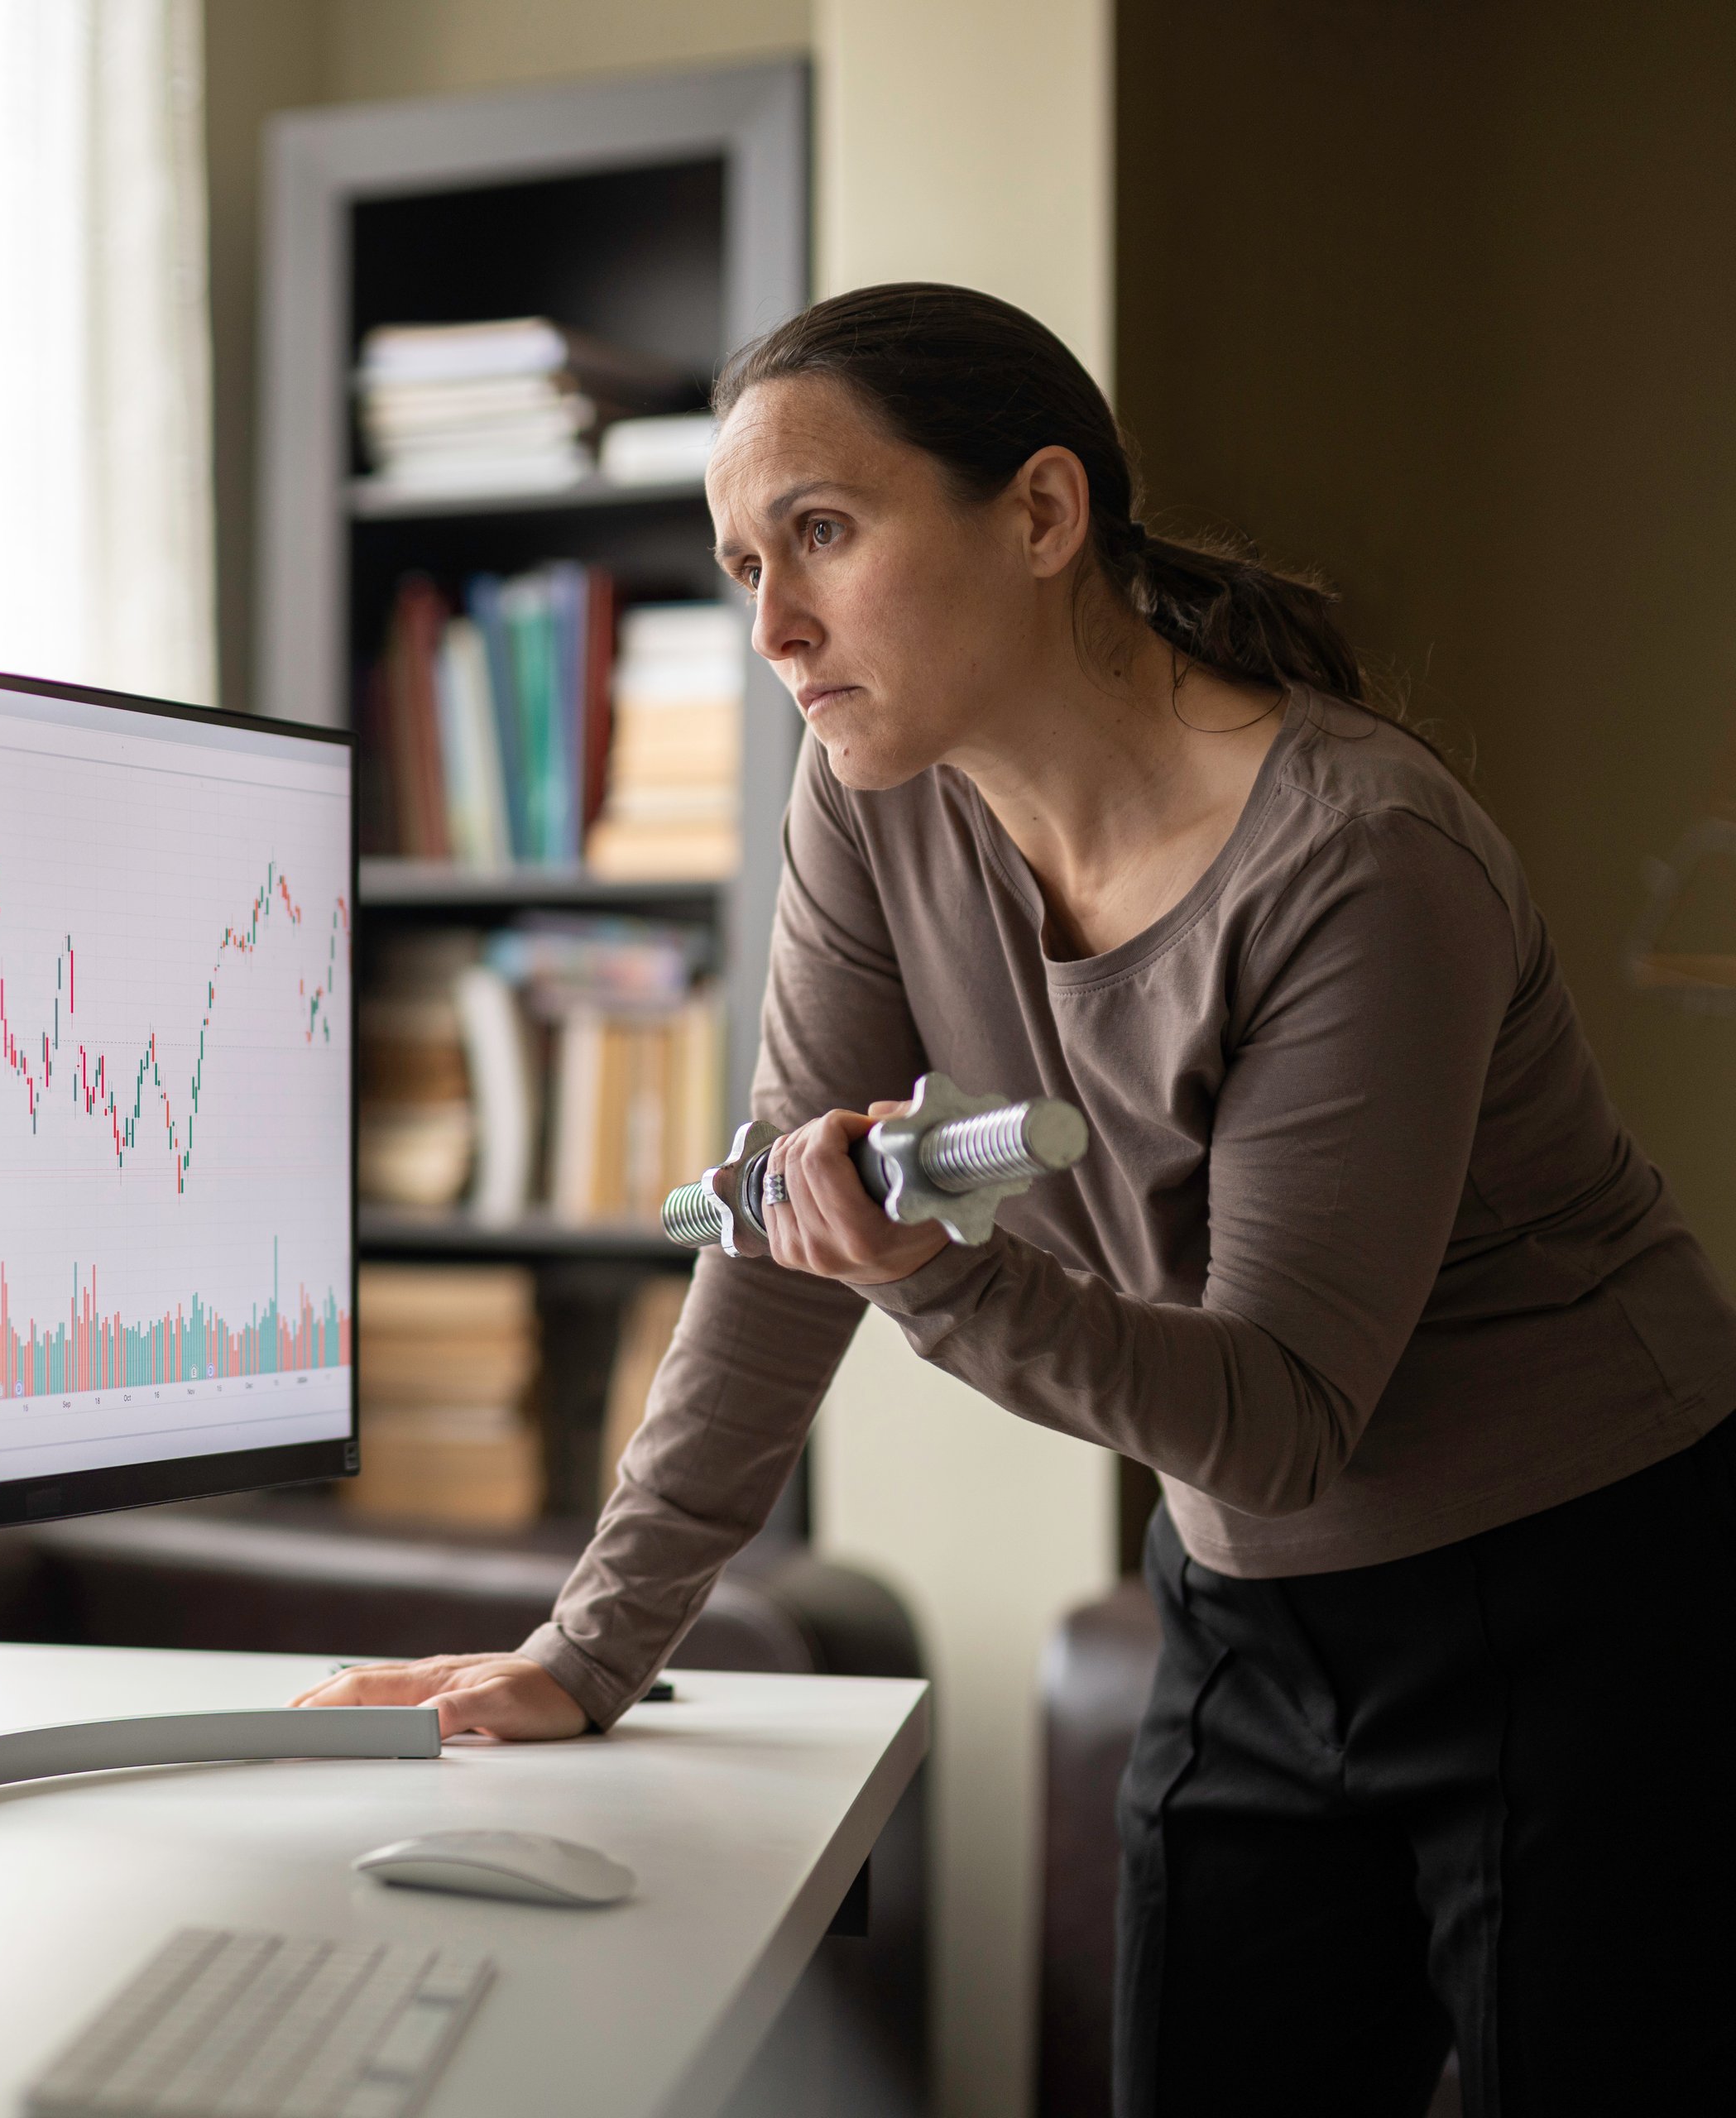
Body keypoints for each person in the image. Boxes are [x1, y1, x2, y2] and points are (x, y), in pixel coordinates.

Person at [295, 283, 1736, 2113]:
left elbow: (1286, 1416)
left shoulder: (1364, 863)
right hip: (1241, 1608)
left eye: (821, 533)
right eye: (744, 564)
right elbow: (777, 1233)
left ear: (1043, 515)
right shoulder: (870, 787)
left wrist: (934, 1274)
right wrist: (590, 1649)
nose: (775, 626)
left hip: (1588, 1584)